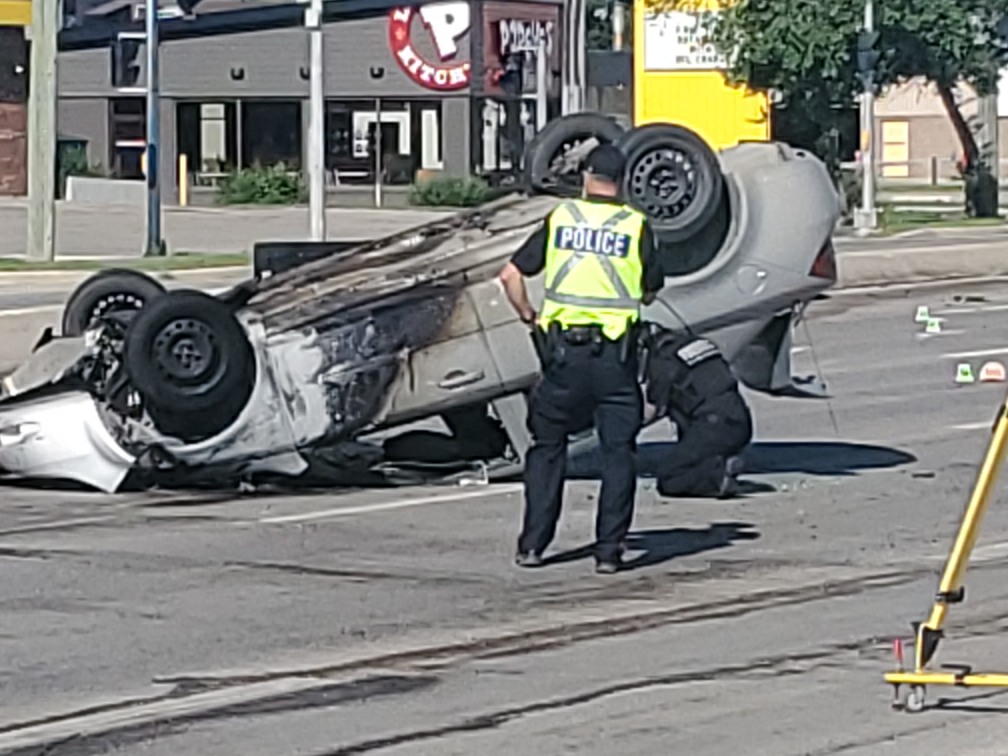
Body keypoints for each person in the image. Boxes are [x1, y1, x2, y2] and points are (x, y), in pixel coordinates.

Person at [497, 143, 664, 574]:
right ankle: (608, 551)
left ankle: (533, 545)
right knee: (619, 453)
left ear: (587, 178)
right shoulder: (635, 226)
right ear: (623, 181)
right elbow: (650, 288)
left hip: (563, 358)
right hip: (614, 360)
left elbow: (510, 275)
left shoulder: (562, 218)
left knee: (548, 448)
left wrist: (529, 316)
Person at [642, 327, 753, 498]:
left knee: (670, 477)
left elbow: (653, 409)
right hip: (740, 422)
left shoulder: (663, 361)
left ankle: (716, 477)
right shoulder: (698, 344)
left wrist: (621, 428)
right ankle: (717, 464)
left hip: (713, 425)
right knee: (690, 451)